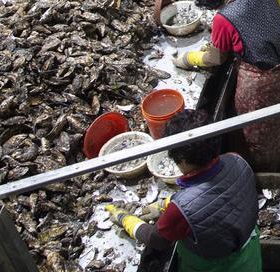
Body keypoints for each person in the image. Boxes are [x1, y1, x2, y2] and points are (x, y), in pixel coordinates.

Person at [105, 109, 263, 270]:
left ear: (181, 159)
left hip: (214, 266)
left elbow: (157, 240)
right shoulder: (236, 160)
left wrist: (126, 220)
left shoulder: (180, 212)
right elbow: (220, 198)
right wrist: (165, 204)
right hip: (248, 254)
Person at [175, 0, 280, 172]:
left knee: (257, 130)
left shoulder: (223, 19)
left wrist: (189, 58)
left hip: (263, 82)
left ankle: (263, 172)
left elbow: (217, 58)